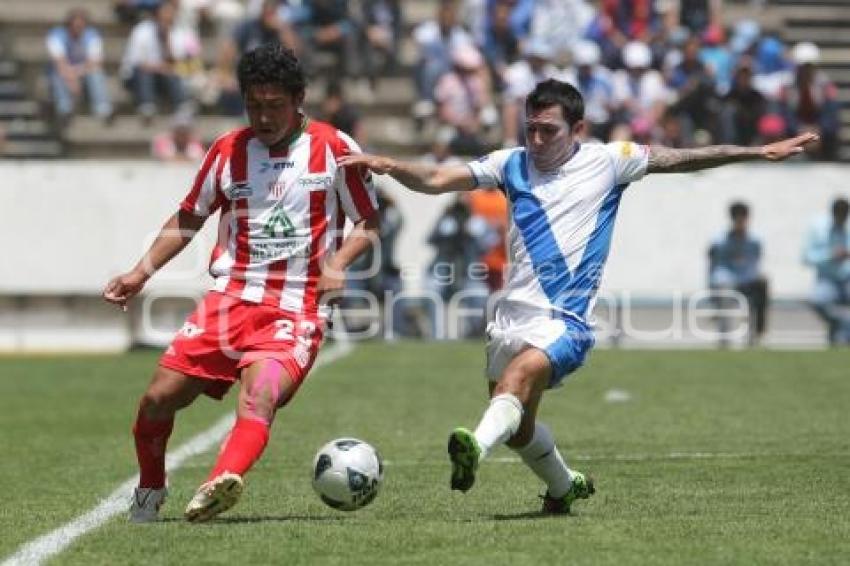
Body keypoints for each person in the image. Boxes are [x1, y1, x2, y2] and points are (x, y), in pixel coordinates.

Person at [339, 78, 817, 513]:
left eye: (549, 130)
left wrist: (756, 152)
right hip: (510, 317)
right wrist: (388, 165)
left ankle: (473, 451)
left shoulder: (610, 161)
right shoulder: (510, 164)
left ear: (578, 128)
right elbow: (440, 180)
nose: (537, 140)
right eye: (531, 128)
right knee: (520, 427)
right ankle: (564, 487)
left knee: (517, 382)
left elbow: (683, 158)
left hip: (567, 320)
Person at [103, 43, 379, 523]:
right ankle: (150, 488)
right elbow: (189, 217)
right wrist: (140, 272)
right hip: (229, 301)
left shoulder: (334, 148)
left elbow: (368, 221)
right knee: (156, 400)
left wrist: (338, 263)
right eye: (254, 105)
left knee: (260, 395)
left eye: (274, 105)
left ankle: (219, 481)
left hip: (297, 307)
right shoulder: (227, 151)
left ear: (299, 100)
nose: (264, 116)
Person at [708, 202, 769, 346]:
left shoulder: (754, 241)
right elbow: (714, 267)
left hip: (746, 280)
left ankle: (756, 334)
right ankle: (725, 338)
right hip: (726, 280)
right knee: (724, 289)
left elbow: (755, 264)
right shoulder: (719, 241)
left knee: (762, 284)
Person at [45, 8, 114, 127]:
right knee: (58, 74)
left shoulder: (92, 36)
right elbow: (59, 62)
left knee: (96, 73)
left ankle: (104, 110)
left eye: (81, 24)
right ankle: (64, 110)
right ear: (69, 24)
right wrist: (71, 78)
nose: (78, 27)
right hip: (63, 73)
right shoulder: (56, 35)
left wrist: (76, 74)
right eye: (75, 24)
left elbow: (95, 63)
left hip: (82, 73)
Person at [803, 198, 850, 346]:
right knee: (818, 300)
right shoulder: (818, 229)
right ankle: (843, 323)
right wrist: (830, 255)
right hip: (827, 280)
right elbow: (806, 257)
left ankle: (842, 334)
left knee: (841, 338)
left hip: (848, 278)